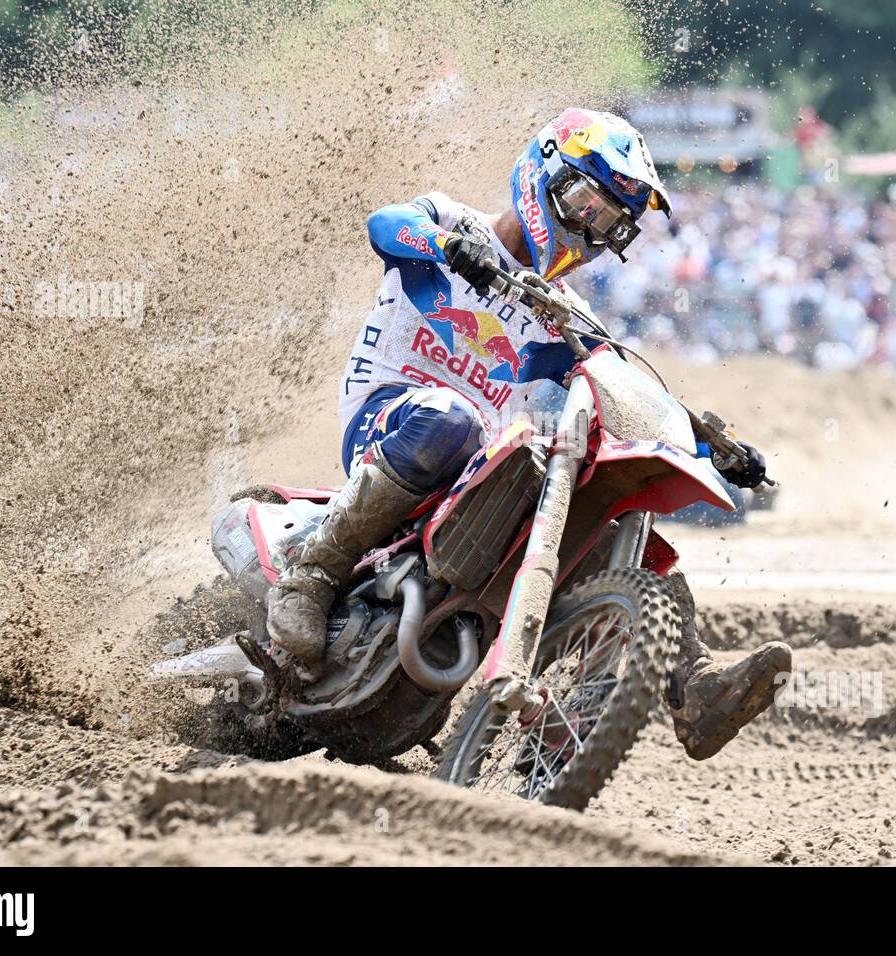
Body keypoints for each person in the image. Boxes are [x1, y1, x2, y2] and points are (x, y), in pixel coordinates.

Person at [267, 108, 792, 760]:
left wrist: (712, 442)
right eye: (582, 202)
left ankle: (695, 686)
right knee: (450, 420)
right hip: (391, 418)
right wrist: (451, 248)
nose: (588, 229)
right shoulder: (456, 224)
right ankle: (312, 574)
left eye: (609, 223)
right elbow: (387, 224)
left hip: (478, 466)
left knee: (605, 510)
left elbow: (623, 389)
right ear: (544, 172)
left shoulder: (565, 316)